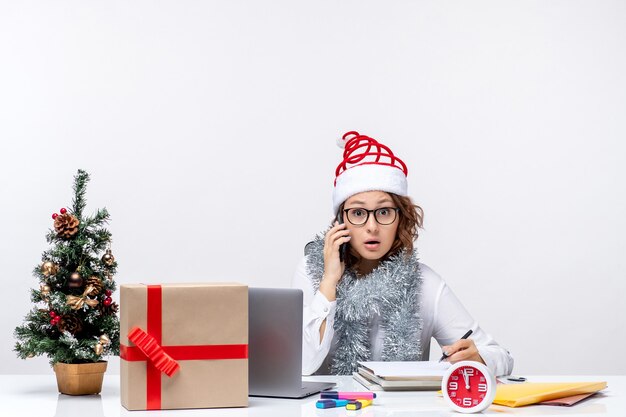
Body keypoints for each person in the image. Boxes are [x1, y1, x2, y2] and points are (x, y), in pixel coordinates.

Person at [292, 131, 514, 377]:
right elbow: (302, 364)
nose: (372, 226)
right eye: (358, 213)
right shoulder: (312, 272)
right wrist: (329, 281)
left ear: (401, 218)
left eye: (384, 212)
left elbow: (500, 355)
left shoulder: (425, 283)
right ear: (341, 221)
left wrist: (479, 358)